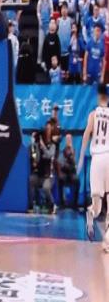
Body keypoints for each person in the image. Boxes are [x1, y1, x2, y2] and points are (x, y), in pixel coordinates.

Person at [77, 84, 109, 252]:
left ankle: (91, 212)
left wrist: (81, 158)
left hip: (97, 159)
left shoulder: (93, 114)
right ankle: (107, 242)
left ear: (98, 97)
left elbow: (85, 135)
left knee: (97, 205)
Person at [58, 134, 79, 209]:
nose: (68, 141)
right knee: (60, 179)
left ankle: (75, 203)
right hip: (65, 172)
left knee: (77, 181)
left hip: (72, 172)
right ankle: (62, 203)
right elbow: (60, 162)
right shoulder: (63, 150)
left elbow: (75, 163)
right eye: (67, 139)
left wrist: (72, 152)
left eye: (69, 139)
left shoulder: (74, 150)